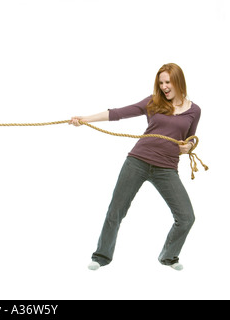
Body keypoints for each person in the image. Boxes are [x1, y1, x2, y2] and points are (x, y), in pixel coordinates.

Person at [70, 63, 200, 271]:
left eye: (168, 82)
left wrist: (189, 146)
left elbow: (191, 137)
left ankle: (168, 257)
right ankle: (101, 256)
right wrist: (85, 119)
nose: (164, 87)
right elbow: (119, 113)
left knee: (186, 217)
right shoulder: (153, 101)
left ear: (178, 81)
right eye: (161, 83)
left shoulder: (194, 110)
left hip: (167, 168)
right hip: (138, 161)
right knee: (116, 211)